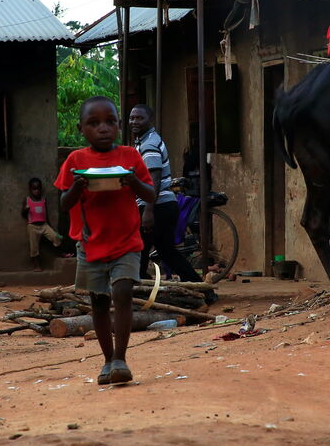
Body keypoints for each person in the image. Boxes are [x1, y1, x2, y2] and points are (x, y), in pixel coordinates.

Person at [55, 96, 155, 385]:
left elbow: (149, 194)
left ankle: (121, 358)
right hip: (90, 244)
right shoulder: (76, 160)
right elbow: (63, 203)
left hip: (126, 242)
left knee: (123, 294)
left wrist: (132, 181)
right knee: (98, 303)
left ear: (120, 125)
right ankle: (108, 360)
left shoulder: (130, 157)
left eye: (110, 122)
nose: (103, 128)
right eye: (94, 123)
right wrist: (77, 186)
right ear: (81, 129)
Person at [129, 105, 216, 303]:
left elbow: (154, 179)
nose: (134, 122)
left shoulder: (149, 144)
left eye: (139, 118)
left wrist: (148, 211)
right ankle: (203, 290)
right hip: (163, 205)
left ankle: (140, 294)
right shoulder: (143, 142)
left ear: (149, 119)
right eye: (132, 118)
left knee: (140, 251)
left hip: (156, 206)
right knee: (167, 252)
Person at [21, 177, 64, 271]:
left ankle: (61, 254)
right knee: (34, 246)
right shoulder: (27, 200)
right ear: (30, 189)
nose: (36, 191)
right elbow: (23, 214)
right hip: (32, 226)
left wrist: (51, 227)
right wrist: (26, 210)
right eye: (34, 189)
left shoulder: (43, 200)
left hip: (44, 225)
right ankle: (36, 265)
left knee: (55, 237)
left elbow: (46, 214)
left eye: (38, 188)